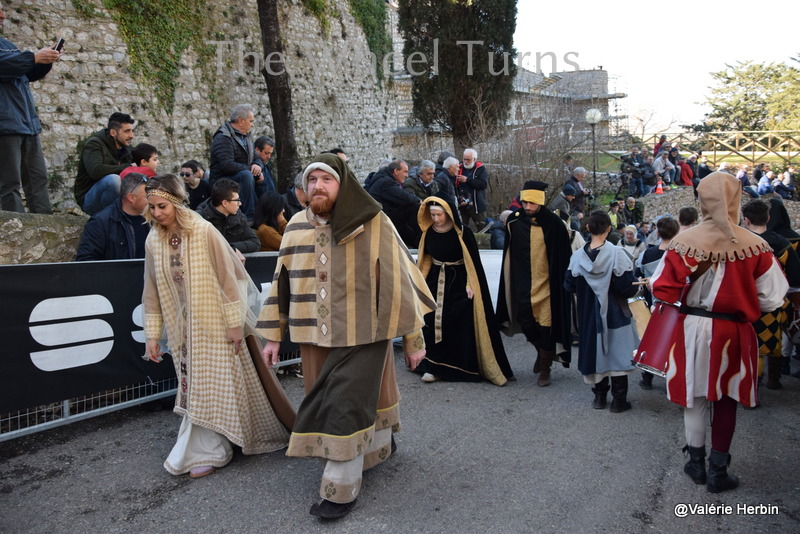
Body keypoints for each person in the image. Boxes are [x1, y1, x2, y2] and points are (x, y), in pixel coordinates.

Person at [257, 154, 435, 520]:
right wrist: (272, 336)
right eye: (312, 181)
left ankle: (340, 488)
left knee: (343, 406)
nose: (318, 186)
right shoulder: (294, 226)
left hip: (364, 334)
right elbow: (281, 284)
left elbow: (403, 280)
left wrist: (415, 340)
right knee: (328, 400)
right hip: (312, 334)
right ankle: (379, 445)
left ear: (343, 184)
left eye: (326, 179)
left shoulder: (374, 222)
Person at [141, 173, 290, 478]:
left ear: (177, 204)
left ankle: (211, 448)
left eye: (162, 207)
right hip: (182, 329)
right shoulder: (152, 239)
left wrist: (234, 326)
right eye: (151, 207)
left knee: (213, 387)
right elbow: (150, 290)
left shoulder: (203, 230)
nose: (156, 214)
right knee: (198, 386)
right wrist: (152, 336)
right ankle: (217, 441)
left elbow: (229, 279)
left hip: (215, 324)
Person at [650, 171, 788, 493]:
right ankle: (717, 472)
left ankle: (695, 464)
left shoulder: (683, 242)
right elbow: (772, 297)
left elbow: (661, 289)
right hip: (734, 329)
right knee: (726, 399)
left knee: (695, 397)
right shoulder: (757, 245)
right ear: (736, 198)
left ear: (703, 200)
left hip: (691, 327)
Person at [414, 196, 514, 385]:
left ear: (448, 213)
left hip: (458, 282)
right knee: (430, 321)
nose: (436, 219)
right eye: (433, 215)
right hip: (435, 281)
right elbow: (425, 258)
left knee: (456, 322)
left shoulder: (462, 233)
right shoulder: (428, 232)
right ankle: (432, 366)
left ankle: (457, 367)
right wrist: (421, 282)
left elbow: (471, 262)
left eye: (439, 215)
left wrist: (470, 284)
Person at [496, 181, 572, 387]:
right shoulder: (515, 221)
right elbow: (509, 253)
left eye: (532, 203)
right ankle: (542, 353)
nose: (528, 207)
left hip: (548, 284)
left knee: (547, 326)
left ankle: (545, 368)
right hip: (523, 283)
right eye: (525, 202)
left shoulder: (555, 224)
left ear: (540, 202)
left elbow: (564, 256)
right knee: (526, 322)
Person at [565, 210, 638, 412]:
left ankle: (599, 397)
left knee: (596, 351)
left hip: (589, 314)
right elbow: (626, 286)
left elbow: (569, 284)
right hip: (615, 312)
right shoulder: (617, 254)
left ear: (588, 228)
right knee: (618, 352)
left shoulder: (578, 257)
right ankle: (618, 400)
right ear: (609, 229)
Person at [0, 6, 57, 214]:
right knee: (9, 183)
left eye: (3, 10)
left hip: (28, 125)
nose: (3, 15)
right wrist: (33, 57)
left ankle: (44, 226)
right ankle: (15, 230)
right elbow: (4, 66)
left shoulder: (6, 44)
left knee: (38, 179)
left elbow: (25, 72)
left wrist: (45, 62)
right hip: (5, 127)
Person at [742, 199, 800, 392]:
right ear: (767, 218)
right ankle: (773, 379)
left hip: (742, 302)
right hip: (774, 303)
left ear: (745, 220)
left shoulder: (739, 243)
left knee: (747, 344)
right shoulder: (782, 242)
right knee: (772, 340)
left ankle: (749, 385)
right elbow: (795, 277)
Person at [635, 216, 680, 390]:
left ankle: (647, 376)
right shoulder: (678, 254)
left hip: (651, 301)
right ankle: (672, 376)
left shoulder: (647, 253)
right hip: (673, 303)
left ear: (658, 232)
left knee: (650, 338)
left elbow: (638, 274)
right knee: (673, 339)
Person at [74, 173, 149, 261]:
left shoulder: (155, 218)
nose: (151, 200)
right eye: (147, 196)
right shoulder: (100, 223)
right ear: (131, 198)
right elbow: (85, 262)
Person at [74, 112, 135, 215]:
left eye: (132, 131)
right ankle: (110, 220)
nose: (131, 135)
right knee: (113, 180)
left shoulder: (126, 149)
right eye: (127, 131)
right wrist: (126, 167)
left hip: (117, 199)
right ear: (113, 133)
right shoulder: (95, 144)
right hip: (90, 199)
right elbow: (96, 171)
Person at [209, 104, 262, 220]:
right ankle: (249, 217)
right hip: (222, 180)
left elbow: (256, 157)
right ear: (241, 121)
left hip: (241, 175)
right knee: (246, 175)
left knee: (262, 174)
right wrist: (250, 169)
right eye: (251, 121)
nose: (252, 124)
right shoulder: (223, 137)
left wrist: (257, 165)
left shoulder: (246, 136)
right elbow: (226, 165)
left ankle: (263, 212)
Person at [366, 159, 421, 248]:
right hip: (383, 220)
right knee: (413, 206)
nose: (407, 175)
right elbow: (405, 197)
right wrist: (419, 201)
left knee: (410, 235)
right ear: (396, 171)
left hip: (386, 217)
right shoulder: (386, 183)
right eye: (405, 172)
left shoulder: (384, 180)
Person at [195, 178, 260, 254]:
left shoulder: (239, 216)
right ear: (225, 203)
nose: (240, 204)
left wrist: (230, 248)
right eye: (237, 200)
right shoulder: (199, 219)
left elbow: (255, 243)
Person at [457, 148, 490, 231]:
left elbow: (483, 184)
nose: (466, 161)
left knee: (483, 229)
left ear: (474, 159)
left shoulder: (481, 169)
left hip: (476, 205)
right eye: (464, 159)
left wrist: (467, 180)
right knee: (460, 229)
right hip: (462, 205)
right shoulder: (459, 168)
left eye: (468, 159)